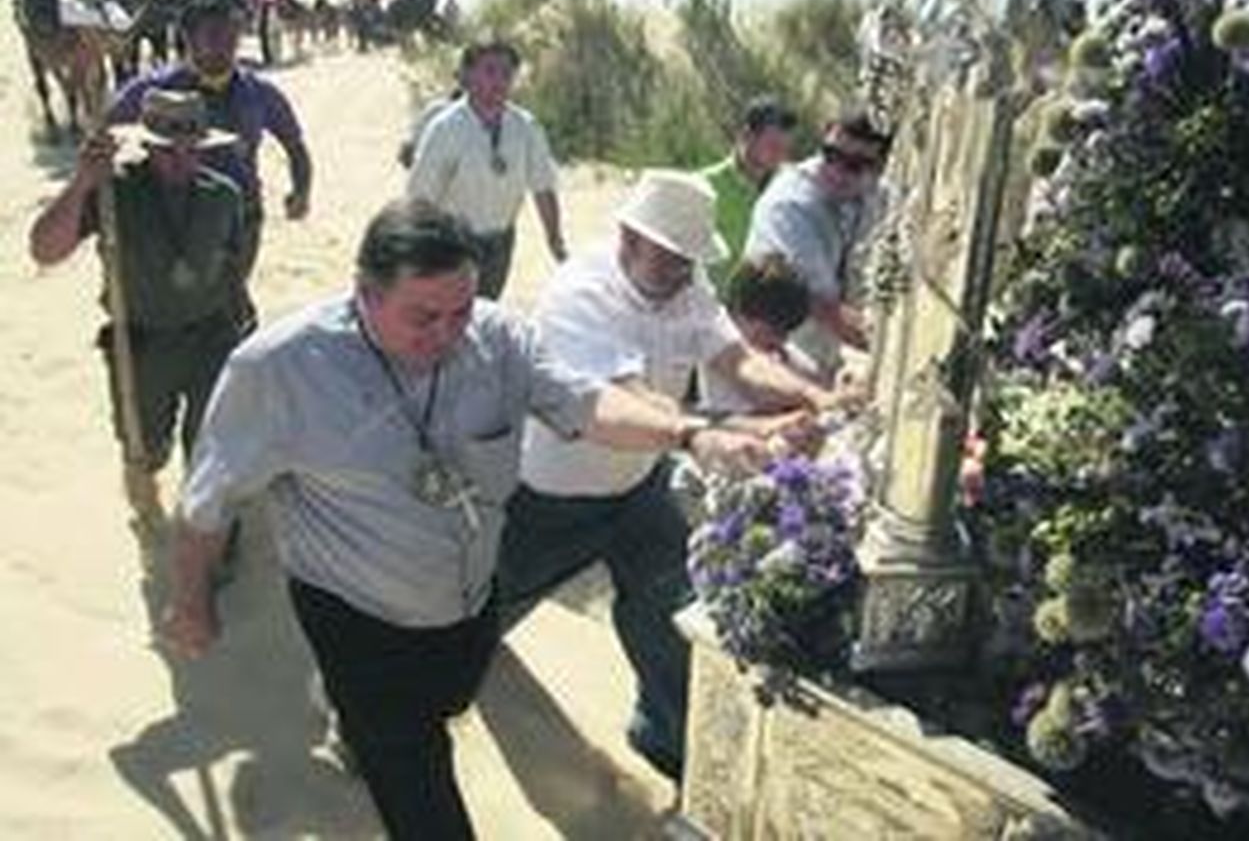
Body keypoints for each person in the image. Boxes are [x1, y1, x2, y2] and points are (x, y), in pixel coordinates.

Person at [162, 198, 770, 840]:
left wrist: (689, 435)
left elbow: (587, 403)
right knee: (420, 789)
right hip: (357, 618)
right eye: (422, 317)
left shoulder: (499, 340)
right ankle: (366, 728)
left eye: (461, 312)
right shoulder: (278, 370)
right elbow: (208, 503)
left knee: (448, 698)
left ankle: (361, 722)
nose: (448, 334)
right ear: (365, 292)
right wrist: (190, 602)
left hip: (470, 602)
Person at [500, 169, 837, 779]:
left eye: (689, 261)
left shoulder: (687, 286)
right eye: (671, 258)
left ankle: (667, 736)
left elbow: (737, 360)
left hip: (637, 490)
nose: (683, 272)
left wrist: (816, 400)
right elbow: (631, 406)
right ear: (628, 238)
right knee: (475, 610)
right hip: (552, 497)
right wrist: (739, 432)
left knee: (668, 614)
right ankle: (387, 711)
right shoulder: (580, 296)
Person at [28, 90, 248, 518]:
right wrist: (82, 183)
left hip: (210, 336)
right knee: (144, 448)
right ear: (147, 144)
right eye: (168, 151)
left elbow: (232, 267)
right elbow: (44, 250)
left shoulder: (224, 196)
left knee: (210, 445)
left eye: (192, 150)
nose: (181, 160)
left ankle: (211, 539)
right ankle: (145, 493)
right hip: (142, 344)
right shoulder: (114, 192)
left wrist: (241, 323)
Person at [108, 0, 314, 308]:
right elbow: (104, 135)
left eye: (233, 34)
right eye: (214, 34)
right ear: (189, 38)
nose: (226, 44)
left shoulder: (259, 93)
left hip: (241, 217)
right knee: (175, 303)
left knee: (227, 298)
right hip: (170, 218)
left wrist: (301, 190)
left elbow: (295, 145)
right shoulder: (153, 91)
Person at [406, 41, 567, 299]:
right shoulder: (445, 129)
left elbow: (543, 186)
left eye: (507, 73)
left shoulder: (526, 127)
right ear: (468, 75)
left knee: (487, 309)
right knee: (455, 313)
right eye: (490, 71)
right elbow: (420, 198)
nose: (499, 81)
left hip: (501, 242)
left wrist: (554, 238)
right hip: (453, 243)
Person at [743, 108, 893, 381]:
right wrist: (894, 350)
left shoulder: (874, 194)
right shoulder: (789, 206)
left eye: (854, 165)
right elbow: (824, 307)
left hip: (829, 358)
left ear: (878, 167)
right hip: (777, 358)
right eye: (831, 154)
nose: (837, 171)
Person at [698, 254, 822, 414]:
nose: (780, 340)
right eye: (773, 332)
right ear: (738, 315)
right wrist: (812, 395)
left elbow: (813, 375)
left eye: (786, 332)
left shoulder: (774, 347)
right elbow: (761, 394)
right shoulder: (717, 340)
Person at [697, 96, 798, 290]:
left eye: (786, 149)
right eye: (773, 146)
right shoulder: (704, 187)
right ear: (746, 136)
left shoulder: (787, 193)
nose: (780, 156)